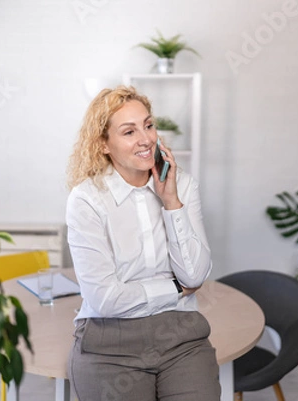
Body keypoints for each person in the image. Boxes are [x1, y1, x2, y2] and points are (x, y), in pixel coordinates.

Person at [66, 86, 220, 401]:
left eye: (148, 125)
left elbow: (194, 276)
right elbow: (105, 298)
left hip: (181, 336)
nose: (146, 139)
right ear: (103, 145)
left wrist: (171, 201)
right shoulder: (87, 199)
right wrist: (174, 289)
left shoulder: (183, 186)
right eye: (129, 131)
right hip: (109, 343)